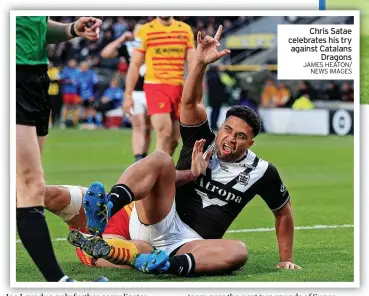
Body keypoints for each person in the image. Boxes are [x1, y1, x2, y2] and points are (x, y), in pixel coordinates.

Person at [80, 25, 302, 276]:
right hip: (160, 217)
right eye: (227, 130)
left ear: (250, 143)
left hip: (191, 244)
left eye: (240, 136)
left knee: (238, 251)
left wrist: (286, 259)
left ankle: (161, 264)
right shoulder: (201, 139)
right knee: (161, 158)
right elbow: (190, 102)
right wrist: (199, 63)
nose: (230, 139)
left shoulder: (262, 171)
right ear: (220, 127)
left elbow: (283, 212)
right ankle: (107, 208)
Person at [16, 16, 109, 282]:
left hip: (36, 79)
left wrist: (70, 30)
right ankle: (59, 283)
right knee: (30, 186)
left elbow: (38, 26)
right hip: (12, 77)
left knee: (20, 189)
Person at [44, 139, 210, 270]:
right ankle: (94, 238)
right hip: (111, 216)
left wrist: (191, 175)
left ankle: (92, 242)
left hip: (125, 227)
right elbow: (161, 176)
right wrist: (191, 175)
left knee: (144, 251)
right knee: (50, 195)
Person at [123, 16, 195, 156]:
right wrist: (128, 95)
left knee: (174, 140)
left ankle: (161, 171)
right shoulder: (145, 31)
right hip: (156, 86)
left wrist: (194, 88)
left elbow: (192, 63)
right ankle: (156, 176)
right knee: (164, 133)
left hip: (179, 87)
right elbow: (135, 64)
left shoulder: (185, 30)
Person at [101, 24, 150, 162]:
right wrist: (121, 39)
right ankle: (138, 158)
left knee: (147, 126)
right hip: (134, 91)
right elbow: (106, 53)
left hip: (152, 89)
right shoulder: (129, 47)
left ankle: (144, 156)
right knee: (138, 124)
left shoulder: (153, 45)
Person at [77, 61, 99, 128]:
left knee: (92, 109)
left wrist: (93, 96)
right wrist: (79, 96)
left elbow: (96, 86)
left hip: (91, 96)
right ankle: (85, 124)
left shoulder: (92, 74)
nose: (83, 68)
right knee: (85, 110)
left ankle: (94, 124)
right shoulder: (79, 74)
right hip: (83, 96)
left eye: (84, 67)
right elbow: (77, 87)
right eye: (81, 67)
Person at [60, 59, 80, 128]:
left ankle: (75, 122)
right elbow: (61, 79)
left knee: (75, 106)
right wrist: (69, 81)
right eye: (71, 62)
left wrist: (75, 81)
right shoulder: (65, 70)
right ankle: (64, 122)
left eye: (73, 63)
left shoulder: (77, 70)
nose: (72, 64)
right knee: (66, 106)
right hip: (67, 91)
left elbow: (79, 81)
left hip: (75, 92)